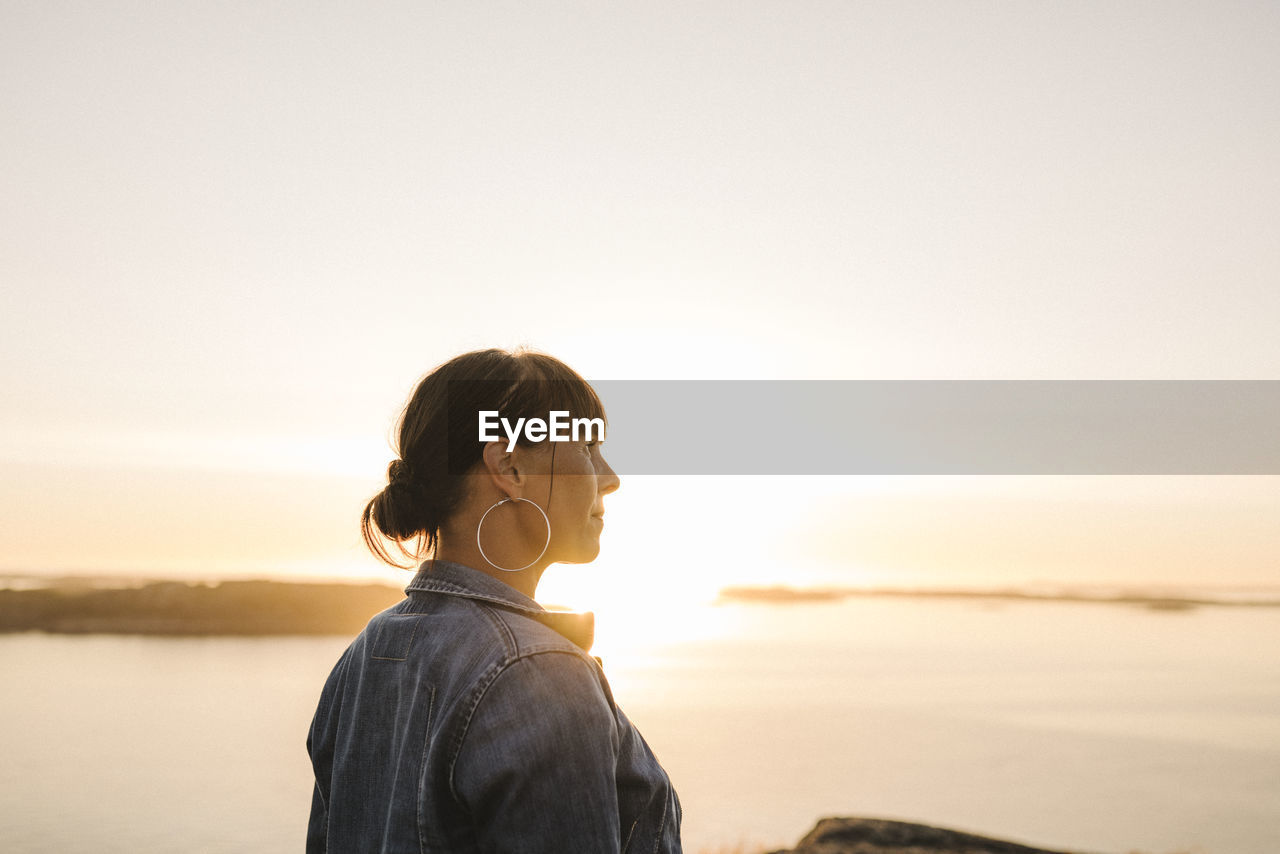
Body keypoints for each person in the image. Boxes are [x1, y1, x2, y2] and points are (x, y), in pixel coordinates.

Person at [306, 347, 683, 853]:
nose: (610, 478)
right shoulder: (541, 673)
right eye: (587, 447)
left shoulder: (368, 652)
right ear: (510, 466)